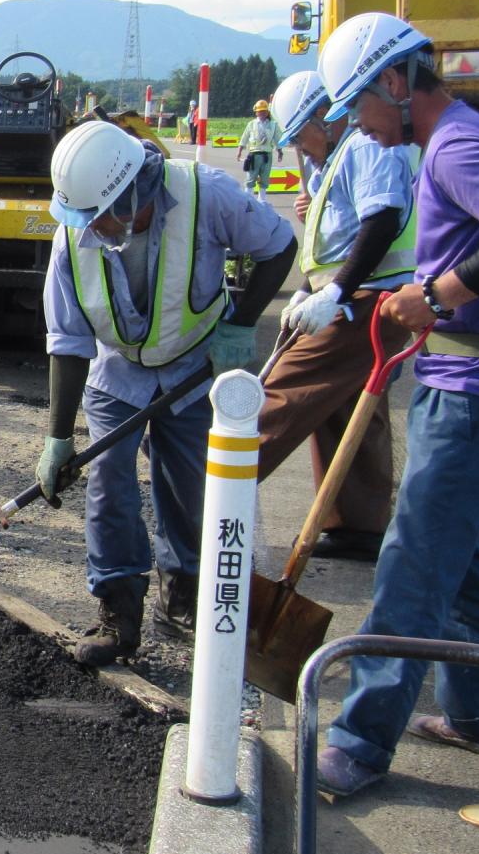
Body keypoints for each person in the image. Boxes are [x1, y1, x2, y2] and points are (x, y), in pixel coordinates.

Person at [309, 12, 479, 797]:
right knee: (465, 566)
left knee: (413, 565)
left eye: (359, 103)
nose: (356, 121)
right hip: (456, 383)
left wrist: (437, 295)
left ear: (396, 81)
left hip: (474, 396)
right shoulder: (443, 145)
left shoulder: (459, 143)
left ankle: (358, 742)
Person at [36, 121, 295, 665]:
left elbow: (277, 245)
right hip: (119, 370)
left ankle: (184, 599)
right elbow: (67, 339)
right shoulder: (73, 237)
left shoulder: (206, 193)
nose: (94, 230)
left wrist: (242, 325)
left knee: (191, 487)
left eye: (101, 217)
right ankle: (118, 610)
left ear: (133, 192)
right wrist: (58, 438)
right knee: (110, 483)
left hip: (196, 365)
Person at [256, 69, 417, 561]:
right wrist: (310, 289)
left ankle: (208, 483)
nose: (299, 148)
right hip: (356, 297)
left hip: (366, 301)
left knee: (288, 390)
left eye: (300, 135)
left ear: (324, 119)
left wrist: (335, 293)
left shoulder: (363, 148)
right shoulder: (334, 160)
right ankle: (357, 525)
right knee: (349, 413)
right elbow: (331, 247)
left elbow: (383, 219)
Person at [236, 99, 284, 196]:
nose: (262, 113)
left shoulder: (273, 125)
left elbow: (277, 139)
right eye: (260, 111)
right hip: (254, 155)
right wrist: (239, 151)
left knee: (264, 178)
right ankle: (248, 200)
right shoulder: (251, 124)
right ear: (256, 113)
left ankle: (262, 200)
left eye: (264, 111)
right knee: (250, 178)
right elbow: (244, 138)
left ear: (267, 112)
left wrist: (280, 152)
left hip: (267, 156)